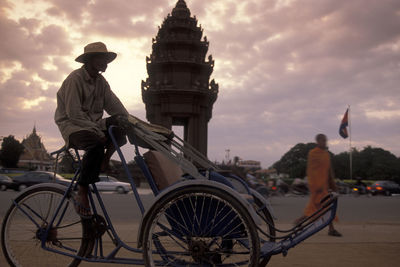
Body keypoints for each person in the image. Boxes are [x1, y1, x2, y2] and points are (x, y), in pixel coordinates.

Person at [55, 42, 128, 218]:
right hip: (72, 126)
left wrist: (129, 120)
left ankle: (104, 161)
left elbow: (115, 106)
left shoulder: (101, 82)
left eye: (106, 59)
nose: (105, 62)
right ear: (89, 60)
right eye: (101, 58)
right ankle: (82, 190)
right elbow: (73, 114)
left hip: (93, 125)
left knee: (121, 127)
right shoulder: (75, 79)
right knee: (95, 144)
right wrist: (96, 131)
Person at [297, 134, 342, 237]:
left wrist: (333, 185)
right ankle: (330, 229)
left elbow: (329, 171)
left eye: (325, 141)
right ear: (317, 141)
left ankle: (300, 222)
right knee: (324, 208)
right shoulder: (313, 153)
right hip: (317, 187)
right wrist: (315, 185)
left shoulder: (326, 154)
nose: (325, 143)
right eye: (323, 141)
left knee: (320, 208)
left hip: (324, 187)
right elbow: (311, 171)